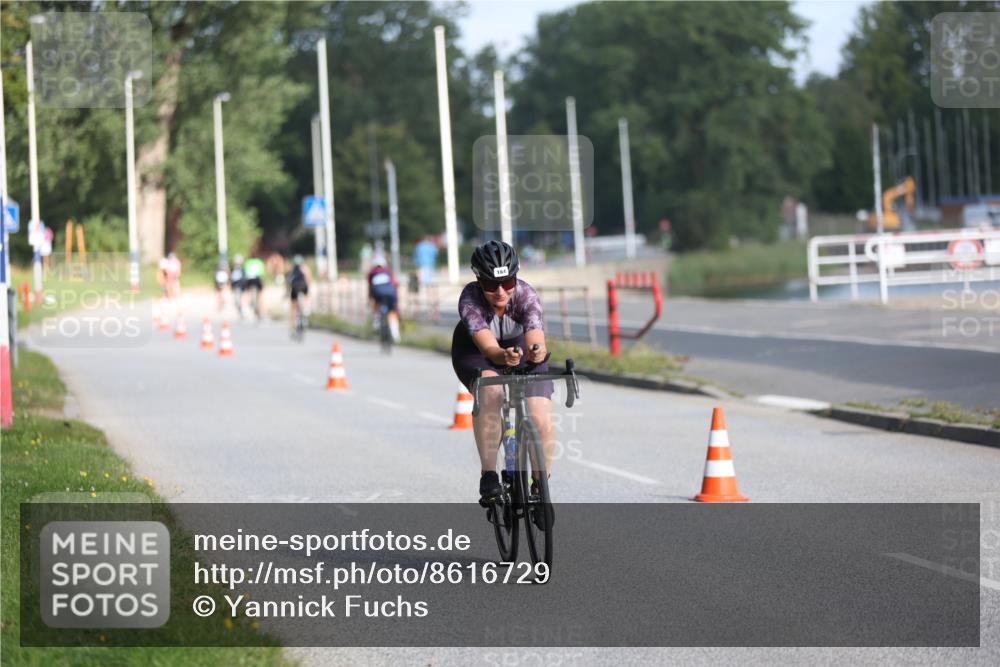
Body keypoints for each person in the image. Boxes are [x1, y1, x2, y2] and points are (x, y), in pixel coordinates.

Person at [450, 240, 555, 505]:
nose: (500, 292)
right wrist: (501, 356)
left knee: (539, 414)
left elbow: (536, 339)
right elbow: (489, 347)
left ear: (515, 278)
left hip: (518, 346)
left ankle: (540, 483)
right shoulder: (470, 299)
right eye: (490, 285)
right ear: (478, 281)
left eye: (507, 283)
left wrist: (536, 352)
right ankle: (489, 475)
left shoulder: (526, 295)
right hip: (476, 351)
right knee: (492, 391)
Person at [366, 255, 400, 342]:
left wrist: (369, 299)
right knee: (392, 313)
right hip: (391, 293)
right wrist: (396, 300)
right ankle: (395, 335)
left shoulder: (372, 273)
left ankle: (376, 323)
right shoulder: (388, 272)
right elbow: (395, 285)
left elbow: (370, 287)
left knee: (376, 306)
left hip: (378, 294)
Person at [286, 254, 312, 329]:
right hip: (303, 286)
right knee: (307, 295)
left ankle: (292, 325)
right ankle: (306, 309)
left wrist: (287, 291)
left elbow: (288, 281)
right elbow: (308, 279)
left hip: (294, 288)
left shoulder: (291, 269)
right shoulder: (305, 268)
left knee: (293, 306)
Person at [243, 255, 266, 319]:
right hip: (257, 279)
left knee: (247, 291)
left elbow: (245, 271)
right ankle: (261, 309)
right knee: (261, 294)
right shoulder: (259, 262)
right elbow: (262, 272)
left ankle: (248, 303)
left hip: (249, 279)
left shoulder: (248, 262)